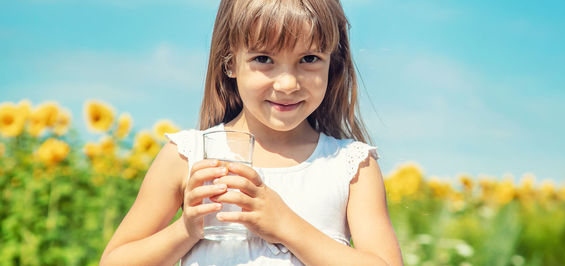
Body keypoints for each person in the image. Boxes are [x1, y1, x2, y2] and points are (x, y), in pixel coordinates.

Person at [100, 0, 403, 265]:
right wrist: (187, 230)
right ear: (230, 62)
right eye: (263, 59)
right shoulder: (188, 155)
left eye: (309, 59)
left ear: (332, 64)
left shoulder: (351, 166)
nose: (287, 84)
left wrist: (286, 225)